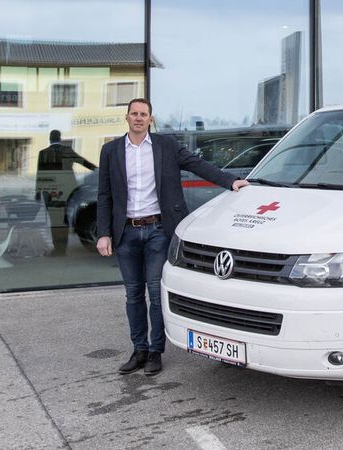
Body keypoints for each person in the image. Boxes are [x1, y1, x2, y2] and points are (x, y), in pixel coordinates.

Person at [97, 98, 250, 376]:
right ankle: (139, 349)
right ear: (127, 117)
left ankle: (155, 352)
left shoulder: (165, 146)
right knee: (133, 294)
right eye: (134, 114)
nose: (139, 118)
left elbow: (197, 164)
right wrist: (104, 234)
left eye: (144, 114)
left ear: (150, 119)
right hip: (126, 232)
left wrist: (230, 181)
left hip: (158, 230)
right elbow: (104, 195)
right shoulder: (111, 151)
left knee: (155, 293)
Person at [35, 130, 97, 256]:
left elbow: (40, 174)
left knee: (55, 221)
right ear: (60, 138)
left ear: (50, 139)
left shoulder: (43, 153)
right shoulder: (67, 151)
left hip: (51, 191)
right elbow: (83, 162)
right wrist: (98, 169)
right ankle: (62, 248)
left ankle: (59, 250)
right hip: (69, 191)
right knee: (64, 220)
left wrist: (37, 192)